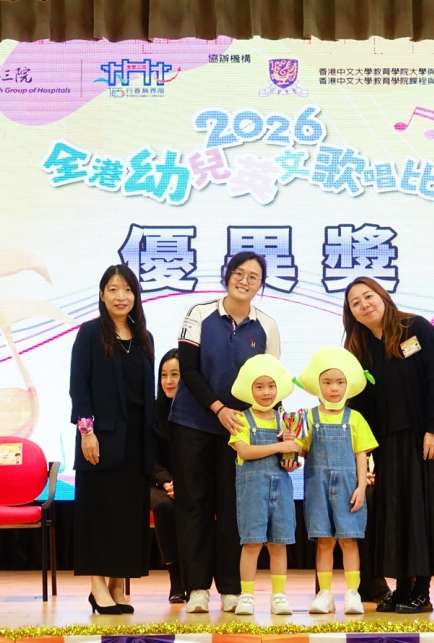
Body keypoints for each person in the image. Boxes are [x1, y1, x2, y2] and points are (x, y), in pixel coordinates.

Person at [342, 276, 434, 614]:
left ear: (382, 296)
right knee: (398, 515)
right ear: (351, 313)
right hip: (388, 444)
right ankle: (402, 588)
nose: (364, 304)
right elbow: (358, 402)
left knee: (424, 513)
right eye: (355, 303)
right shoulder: (358, 349)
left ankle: (422, 591)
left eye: (368, 296)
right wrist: (363, 451)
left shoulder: (415, 329)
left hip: (426, 439)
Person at [169, 251, 281, 614]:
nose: (244, 281)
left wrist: (277, 434)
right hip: (193, 423)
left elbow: (272, 383)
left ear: (260, 285)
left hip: (241, 431)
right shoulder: (199, 313)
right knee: (194, 506)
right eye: (239, 273)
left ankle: (231, 588)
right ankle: (197, 588)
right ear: (226, 275)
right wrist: (218, 408)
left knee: (235, 508)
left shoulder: (267, 326)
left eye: (253, 276)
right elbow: (188, 369)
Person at [70, 264, 156, 615]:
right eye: (113, 289)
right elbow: (79, 386)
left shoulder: (143, 337)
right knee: (99, 514)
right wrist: (86, 433)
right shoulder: (90, 333)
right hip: (100, 440)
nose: (122, 296)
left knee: (127, 517)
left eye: (128, 290)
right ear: (102, 294)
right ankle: (97, 587)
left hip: (136, 442)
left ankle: (118, 585)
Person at [295, 347, 378, 616]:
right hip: (317, 489)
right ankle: (325, 594)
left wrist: (361, 488)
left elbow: (361, 455)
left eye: (340, 382)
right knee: (324, 541)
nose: (334, 388)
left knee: (349, 540)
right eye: (327, 382)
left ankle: (352, 593)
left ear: (348, 385)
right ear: (317, 385)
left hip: (348, 489)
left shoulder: (355, 418)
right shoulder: (308, 417)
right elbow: (301, 449)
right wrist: (290, 446)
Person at [227, 354, 300, 615]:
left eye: (271, 386)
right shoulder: (241, 419)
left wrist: (291, 460)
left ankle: (279, 596)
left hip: (281, 490)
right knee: (252, 543)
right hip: (252, 492)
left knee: (279, 543)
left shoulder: (285, 420)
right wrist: (280, 446)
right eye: (259, 386)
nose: (266, 392)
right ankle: (247, 595)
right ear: (249, 389)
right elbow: (245, 451)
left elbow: (294, 454)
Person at [151, 349, 187, 603]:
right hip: (156, 481)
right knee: (164, 506)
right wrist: (166, 481)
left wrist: (183, 483)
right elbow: (149, 457)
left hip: (188, 480)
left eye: (175, 374)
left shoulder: (198, 412)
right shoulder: (153, 411)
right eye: (164, 375)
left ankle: (197, 577)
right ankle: (176, 579)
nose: (168, 381)